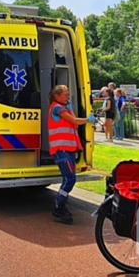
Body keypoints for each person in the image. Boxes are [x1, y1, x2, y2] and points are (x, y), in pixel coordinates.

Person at [47, 85, 95, 224]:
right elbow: (74, 121)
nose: (68, 97)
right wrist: (88, 119)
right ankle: (59, 204)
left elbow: (73, 122)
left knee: (69, 178)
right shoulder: (56, 107)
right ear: (57, 96)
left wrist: (70, 107)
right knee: (70, 178)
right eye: (65, 95)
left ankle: (60, 204)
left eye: (68, 94)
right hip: (60, 148)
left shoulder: (63, 107)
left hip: (67, 148)